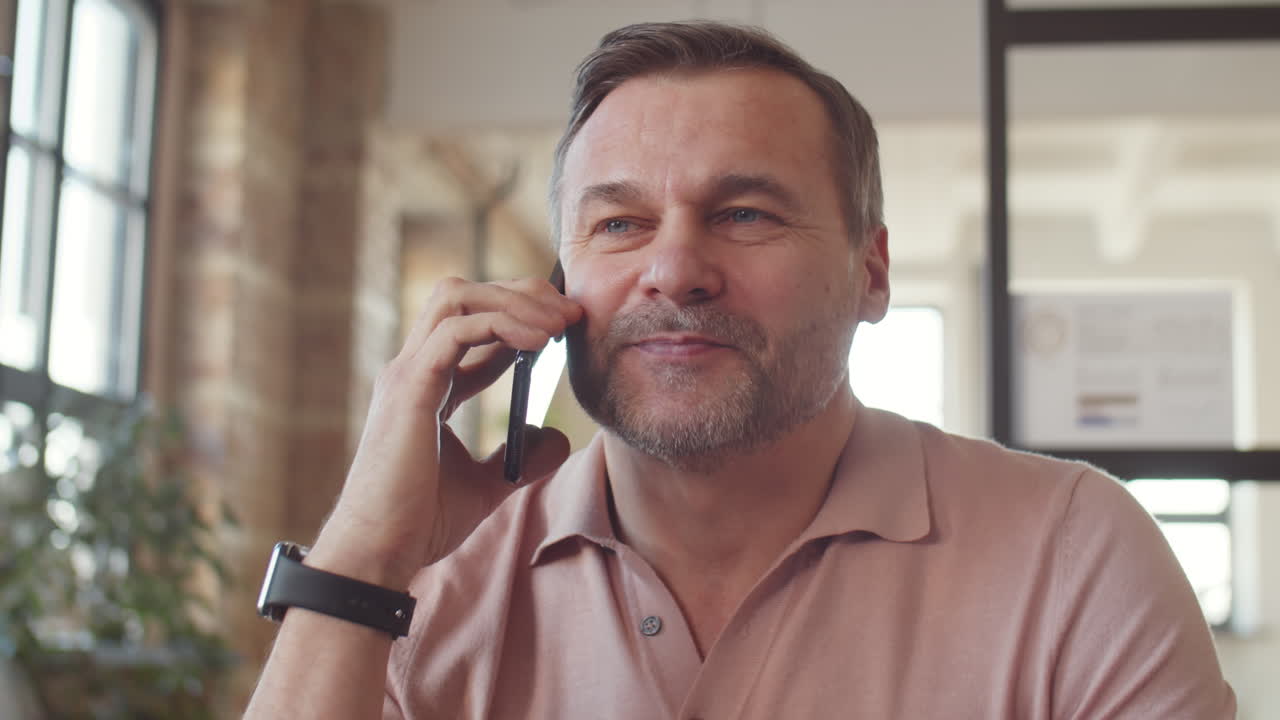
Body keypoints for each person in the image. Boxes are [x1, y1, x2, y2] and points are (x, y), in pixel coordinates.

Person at [245, 21, 1236, 719]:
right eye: (619, 223)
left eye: (745, 214)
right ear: (557, 279)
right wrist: (363, 561)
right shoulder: (422, 584)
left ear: (870, 270)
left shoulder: (1070, 553)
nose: (672, 268)